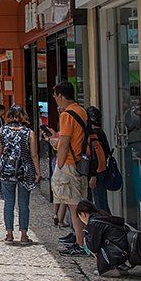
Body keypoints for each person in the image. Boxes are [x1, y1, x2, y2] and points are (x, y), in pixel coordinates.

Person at [48, 82, 90, 256]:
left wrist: (59, 164)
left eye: (55, 95)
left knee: (74, 207)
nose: (55, 99)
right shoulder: (81, 111)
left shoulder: (67, 115)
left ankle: (81, 244)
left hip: (70, 164)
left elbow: (65, 143)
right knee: (79, 205)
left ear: (60, 95)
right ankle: (83, 241)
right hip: (81, 163)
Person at [0, 105, 41, 243]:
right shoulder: (29, 133)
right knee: (23, 203)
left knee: (8, 203)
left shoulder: (2, 131)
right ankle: (24, 235)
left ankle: (9, 234)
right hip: (24, 170)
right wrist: (37, 172)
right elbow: (34, 154)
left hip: (6, 170)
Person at [86, 106, 113, 213]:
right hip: (101, 169)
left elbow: (95, 157)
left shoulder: (93, 135)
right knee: (102, 202)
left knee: (99, 203)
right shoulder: (100, 132)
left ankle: (106, 222)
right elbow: (106, 151)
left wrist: (94, 175)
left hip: (96, 171)